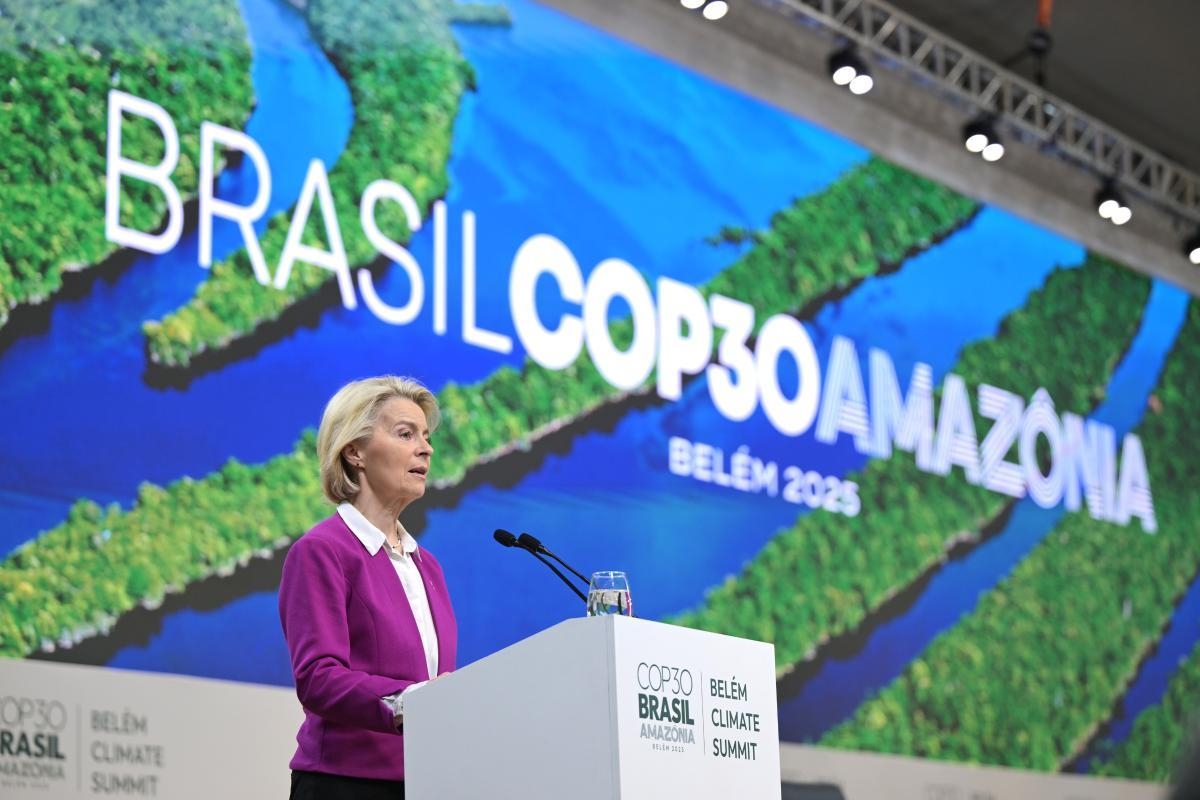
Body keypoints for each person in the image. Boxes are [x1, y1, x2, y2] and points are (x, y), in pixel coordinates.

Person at [279, 376, 456, 800]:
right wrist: (411, 702)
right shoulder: (322, 551)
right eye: (405, 434)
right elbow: (318, 677)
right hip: (345, 784)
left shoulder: (426, 566)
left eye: (426, 437)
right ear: (354, 451)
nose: (425, 448)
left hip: (424, 784)